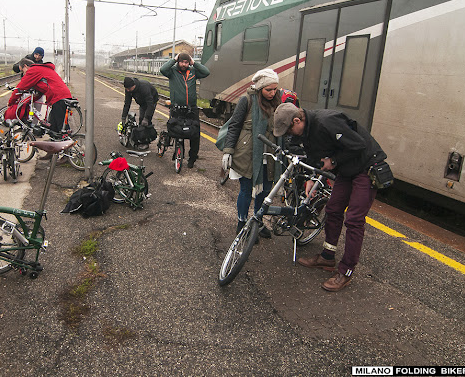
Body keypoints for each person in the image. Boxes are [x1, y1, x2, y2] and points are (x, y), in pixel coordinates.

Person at [272, 103, 387, 292]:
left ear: (297, 120)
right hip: (348, 169)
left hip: (366, 168)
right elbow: (317, 158)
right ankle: (327, 257)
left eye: (289, 130)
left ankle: (346, 271)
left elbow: (358, 145)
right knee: (333, 210)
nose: (290, 135)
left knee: (354, 220)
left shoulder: (326, 122)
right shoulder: (307, 132)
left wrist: (334, 161)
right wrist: (312, 178)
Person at [221, 69, 287, 236]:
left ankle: (257, 222)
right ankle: (242, 223)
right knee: (246, 189)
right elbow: (234, 125)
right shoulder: (247, 100)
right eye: (268, 90)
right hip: (247, 155)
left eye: (275, 89)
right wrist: (228, 151)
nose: (273, 93)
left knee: (264, 192)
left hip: (269, 155)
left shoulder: (277, 101)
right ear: (259, 88)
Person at [160, 52, 210, 167]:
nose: (184, 64)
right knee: (176, 131)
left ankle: (192, 158)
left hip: (191, 109)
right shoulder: (172, 71)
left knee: (195, 134)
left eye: (186, 62)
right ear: (178, 61)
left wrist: (194, 63)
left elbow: (206, 72)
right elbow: (163, 69)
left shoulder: (193, 71)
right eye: (182, 62)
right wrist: (174, 59)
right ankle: (178, 153)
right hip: (176, 108)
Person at [6, 57, 72, 134]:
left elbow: (19, 88)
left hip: (59, 96)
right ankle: (55, 142)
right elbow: (40, 93)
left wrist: (11, 102)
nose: (23, 74)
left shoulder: (33, 71)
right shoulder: (40, 69)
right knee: (53, 126)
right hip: (59, 96)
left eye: (22, 71)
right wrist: (28, 100)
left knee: (61, 126)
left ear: (26, 66)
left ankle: (69, 142)